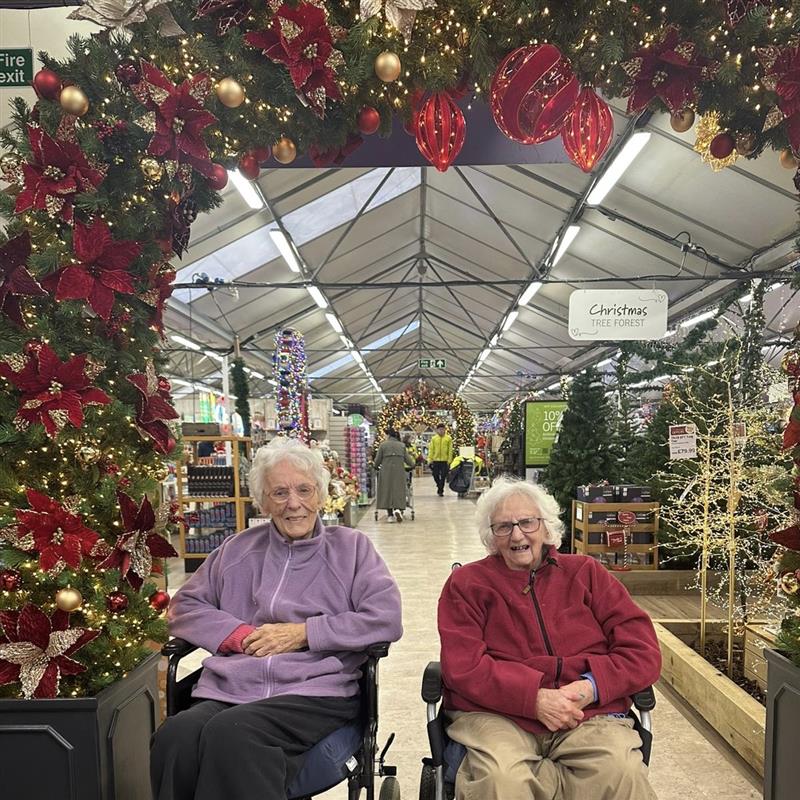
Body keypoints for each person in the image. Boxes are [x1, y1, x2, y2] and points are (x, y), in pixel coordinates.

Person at [150, 437, 403, 800]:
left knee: (233, 734)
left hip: (315, 690)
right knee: (175, 737)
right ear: (263, 501)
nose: (294, 504)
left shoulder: (352, 549)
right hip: (233, 687)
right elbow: (185, 607)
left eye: (304, 489)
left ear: (321, 494)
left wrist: (304, 633)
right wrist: (237, 635)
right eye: (280, 493)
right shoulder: (237, 550)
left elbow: (385, 619)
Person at [438, 476, 661, 800]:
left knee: (619, 772)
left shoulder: (587, 573)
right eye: (503, 527)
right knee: (501, 779)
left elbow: (642, 651)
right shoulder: (467, 585)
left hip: (586, 709)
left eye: (527, 522)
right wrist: (534, 698)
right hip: (497, 714)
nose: (517, 535)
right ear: (491, 536)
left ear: (545, 526)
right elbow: (463, 666)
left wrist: (590, 687)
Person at [374, 428, 415, 522]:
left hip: (385, 473)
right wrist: (412, 465)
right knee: (399, 490)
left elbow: (377, 460)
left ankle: (390, 515)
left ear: (388, 435)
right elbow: (409, 460)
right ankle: (398, 509)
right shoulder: (402, 445)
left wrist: (376, 466)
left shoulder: (383, 445)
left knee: (387, 491)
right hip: (399, 472)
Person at [428, 422, 454, 497]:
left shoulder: (448, 438)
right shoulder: (434, 439)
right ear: (437, 430)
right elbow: (431, 449)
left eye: (443, 429)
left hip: (444, 461)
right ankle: (439, 485)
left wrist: (449, 460)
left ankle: (440, 490)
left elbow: (450, 450)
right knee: (435, 475)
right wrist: (430, 459)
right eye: (440, 429)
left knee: (443, 476)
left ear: (445, 430)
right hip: (435, 460)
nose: (441, 431)